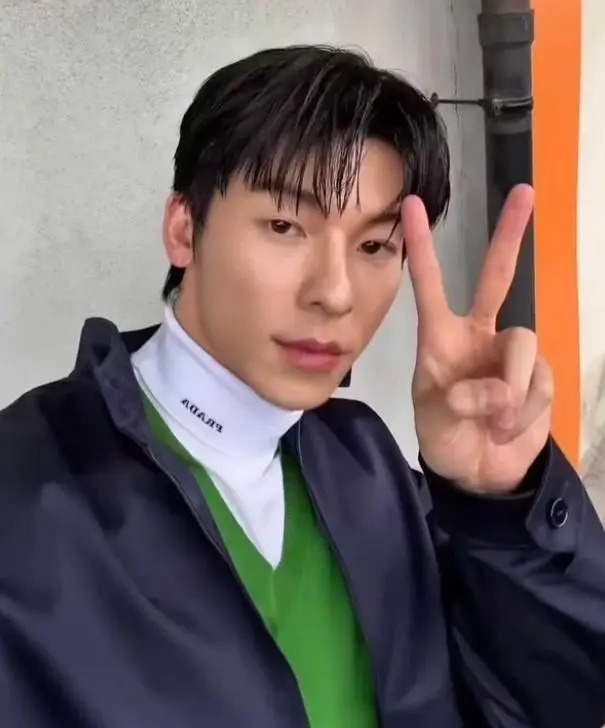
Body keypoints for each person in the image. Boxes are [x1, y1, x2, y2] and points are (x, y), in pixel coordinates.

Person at [0, 44, 603, 728]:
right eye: (285, 226)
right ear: (183, 228)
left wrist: (500, 503)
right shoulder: (27, 498)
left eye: (373, 246)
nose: (335, 293)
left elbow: (556, 698)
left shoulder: (366, 467)